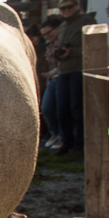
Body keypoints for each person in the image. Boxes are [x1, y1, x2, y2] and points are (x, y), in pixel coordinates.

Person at [52, 0, 96, 155]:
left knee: (77, 108)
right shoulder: (63, 26)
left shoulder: (87, 21)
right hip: (64, 71)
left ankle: (80, 144)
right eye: (63, 8)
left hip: (79, 69)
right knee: (62, 108)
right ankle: (67, 141)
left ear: (76, 6)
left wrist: (72, 52)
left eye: (69, 7)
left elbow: (93, 46)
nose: (66, 11)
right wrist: (59, 53)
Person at [38, 15, 64, 150]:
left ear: (57, 29)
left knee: (62, 109)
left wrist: (52, 73)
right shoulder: (48, 46)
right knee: (46, 108)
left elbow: (66, 61)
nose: (47, 36)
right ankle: (54, 133)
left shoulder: (64, 42)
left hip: (63, 77)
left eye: (49, 32)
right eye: (44, 34)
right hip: (52, 80)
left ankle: (63, 137)